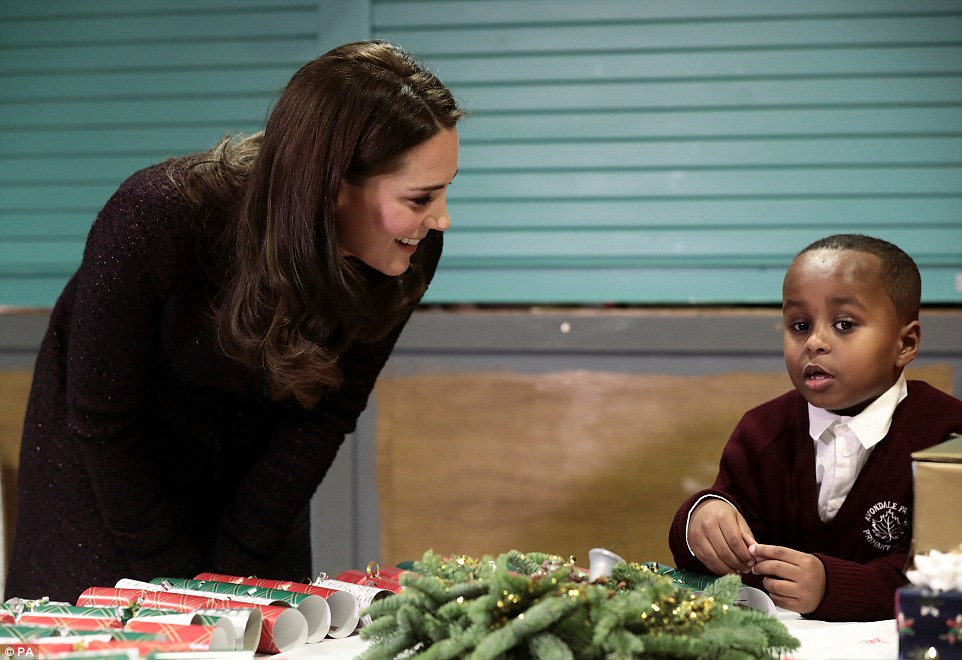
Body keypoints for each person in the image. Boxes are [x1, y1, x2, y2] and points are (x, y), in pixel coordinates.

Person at [5, 40, 465, 603]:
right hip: (107, 487)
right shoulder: (157, 217)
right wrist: (175, 578)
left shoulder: (409, 250)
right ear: (330, 186)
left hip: (256, 492)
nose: (440, 218)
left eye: (444, 191)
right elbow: (104, 421)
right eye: (420, 198)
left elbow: (323, 419)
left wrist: (238, 570)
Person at [668, 234, 962, 622]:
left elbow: (946, 578)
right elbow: (725, 546)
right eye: (800, 324)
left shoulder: (947, 436)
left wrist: (831, 587)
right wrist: (701, 519)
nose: (815, 342)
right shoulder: (762, 430)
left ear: (905, 344)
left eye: (844, 324)